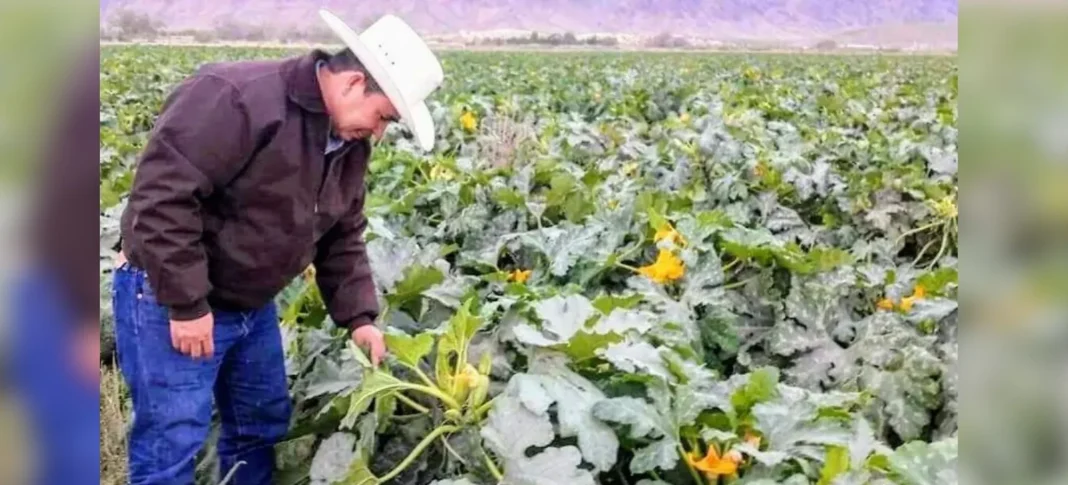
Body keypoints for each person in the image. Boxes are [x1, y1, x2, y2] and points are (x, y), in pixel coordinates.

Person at [111, 10, 444, 484]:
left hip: (250, 305)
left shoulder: (348, 144)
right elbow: (162, 200)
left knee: (260, 428)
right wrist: (186, 304)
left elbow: (341, 233)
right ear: (353, 84)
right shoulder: (236, 98)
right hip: (168, 296)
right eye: (384, 117)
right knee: (171, 444)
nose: (379, 133)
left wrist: (360, 318)